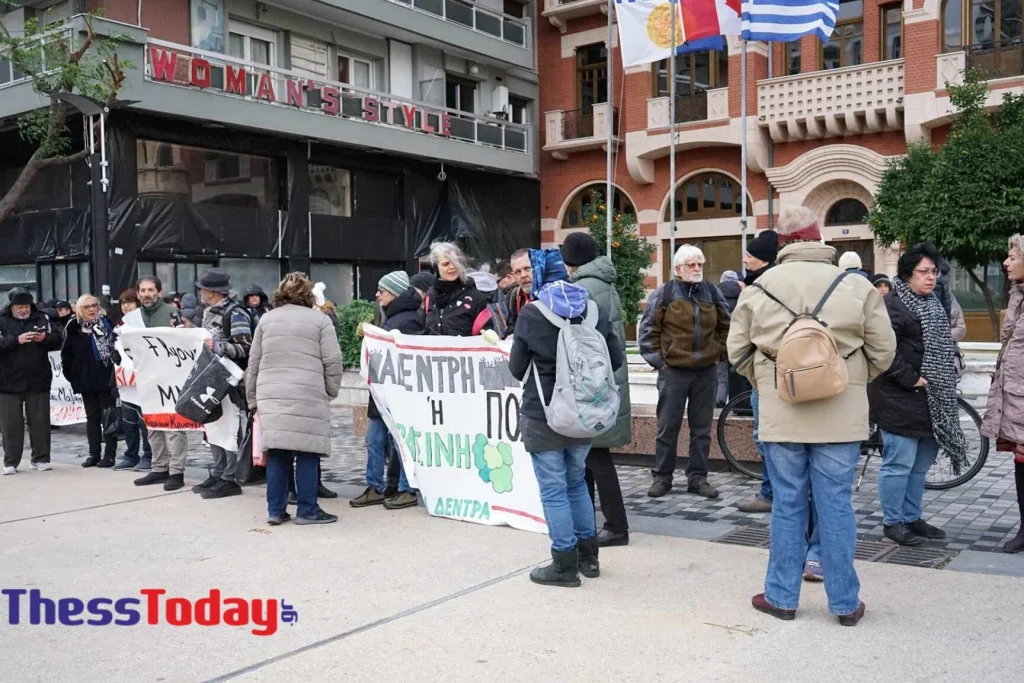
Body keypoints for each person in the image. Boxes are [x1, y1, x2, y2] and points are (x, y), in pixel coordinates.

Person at [728, 206, 895, 626]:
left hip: (782, 413)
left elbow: (738, 353)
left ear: (783, 242)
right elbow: (883, 351)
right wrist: (850, 380)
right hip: (841, 416)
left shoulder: (759, 288)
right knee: (836, 505)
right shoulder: (854, 286)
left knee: (787, 503)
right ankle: (844, 604)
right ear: (818, 238)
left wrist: (771, 381)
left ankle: (782, 597)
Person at [509, 248, 625, 587]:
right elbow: (615, 358)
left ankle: (563, 566)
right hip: (586, 412)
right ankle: (589, 559)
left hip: (543, 414)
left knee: (554, 490)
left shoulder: (532, 313)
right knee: (576, 483)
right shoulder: (594, 309)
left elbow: (517, 369)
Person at [869, 243, 969, 547]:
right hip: (898, 396)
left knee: (921, 463)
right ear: (906, 273)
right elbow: (882, 350)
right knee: (899, 463)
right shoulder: (892, 304)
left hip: (933, 397)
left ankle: (912, 517)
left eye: (934, 272)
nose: (931, 277)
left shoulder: (934, 302)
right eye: (923, 272)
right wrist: (911, 378)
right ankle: (893, 521)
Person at [247, 272, 343, 525]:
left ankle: (276, 511)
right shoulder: (320, 321)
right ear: (308, 293)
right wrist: (331, 390)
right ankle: (308, 510)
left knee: (277, 453)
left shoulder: (266, 320)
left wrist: (252, 399)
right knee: (307, 453)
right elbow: (333, 361)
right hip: (308, 394)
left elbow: (253, 363)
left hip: (271, 395)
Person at [638, 244, 731, 500]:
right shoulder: (665, 293)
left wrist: (719, 353)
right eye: (691, 264)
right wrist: (660, 362)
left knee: (702, 430)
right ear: (678, 269)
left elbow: (727, 325)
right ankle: (662, 477)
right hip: (674, 372)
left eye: (700, 264)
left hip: (706, 371)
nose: (697, 268)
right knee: (668, 427)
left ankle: (698, 479)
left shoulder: (712, 292)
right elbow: (647, 331)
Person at [561, 232, 632, 547]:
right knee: (589, 458)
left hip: (592, 383)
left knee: (596, 458)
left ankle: (615, 526)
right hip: (607, 379)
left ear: (570, 261)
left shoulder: (581, 290)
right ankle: (589, 521)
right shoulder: (604, 284)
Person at [351, 271, 425, 511]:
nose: (377, 294)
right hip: (382, 392)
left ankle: (406, 488)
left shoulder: (408, 320)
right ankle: (376, 486)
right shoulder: (394, 316)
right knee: (375, 440)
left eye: (381, 290)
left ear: (394, 292)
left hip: (395, 394)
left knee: (399, 441)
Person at [189, 268, 252, 500]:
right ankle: (217, 472)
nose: (200, 292)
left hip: (230, 382)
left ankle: (229, 477)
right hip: (211, 378)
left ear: (212, 292)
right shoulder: (207, 312)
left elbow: (246, 348)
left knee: (230, 427)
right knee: (213, 426)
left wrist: (218, 347)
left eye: (203, 289)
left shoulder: (236, 314)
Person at [982, 235, 1024, 553]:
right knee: (1021, 466)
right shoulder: (1018, 296)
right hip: (1015, 398)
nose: (1006, 263)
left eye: (1012, 256)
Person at [736, 232, 781, 516]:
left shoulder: (762, 288)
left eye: (750, 255)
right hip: (771, 373)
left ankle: (771, 493)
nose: (745, 258)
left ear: (763, 260)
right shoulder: (760, 283)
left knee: (766, 435)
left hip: (766, 374)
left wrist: (749, 369)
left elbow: (745, 336)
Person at [133, 276, 190, 491]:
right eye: (143, 290)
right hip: (147, 378)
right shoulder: (133, 318)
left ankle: (177, 471)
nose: (146, 294)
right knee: (153, 425)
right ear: (138, 294)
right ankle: (159, 468)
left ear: (158, 291)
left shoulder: (171, 313)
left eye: (150, 290)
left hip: (171, 377)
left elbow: (185, 340)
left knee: (174, 425)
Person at [0, 288, 62, 475]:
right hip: (7, 380)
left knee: (40, 421)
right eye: (19, 307)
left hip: (38, 378)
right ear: (11, 307)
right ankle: (11, 461)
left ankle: (40, 458)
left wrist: (45, 339)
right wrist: (16, 340)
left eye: (26, 306)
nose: (23, 310)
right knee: (11, 424)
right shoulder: (2, 320)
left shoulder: (42, 318)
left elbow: (58, 338)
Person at [62, 294, 120, 468]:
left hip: (105, 378)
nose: (92, 309)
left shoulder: (106, 323)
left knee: (108, 417)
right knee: (92, 418)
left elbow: (114, 348)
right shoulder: (72, 326)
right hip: (84, 379)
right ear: (80, 309)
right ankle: (93, 454)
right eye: (87, 307)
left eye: (94, 305)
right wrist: (72, 376)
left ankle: (110, 455)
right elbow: (66, 354)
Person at [113, 289, 152, 471]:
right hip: (126, 380)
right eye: (123, 302)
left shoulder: (144, 323)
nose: (126, 306)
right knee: (128, 420)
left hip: (143, 377)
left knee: (144, 421)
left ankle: (149, 455)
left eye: (130, 302)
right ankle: (131, 455)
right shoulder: (120, 326)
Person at [424, 242, 490, 337]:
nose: (452, 267)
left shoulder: (475, 296)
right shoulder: (430, 297)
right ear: (436, 268)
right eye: (446, 264)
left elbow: (486, 331)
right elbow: (425, 332)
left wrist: (489, 334)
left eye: (455, 262)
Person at [716, 270, 744, 407]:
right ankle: (738, 402)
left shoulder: (715, 293)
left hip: (720, 341)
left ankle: (719, 400)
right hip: (737, 341)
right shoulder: (743, 294)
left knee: (721, 373)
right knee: (738, 373)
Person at [504, 248, 533, 332]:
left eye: (527, 268)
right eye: (518, 272)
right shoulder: (514, 296)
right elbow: (511, 325)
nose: (523, 275)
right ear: (513, 276)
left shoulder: (551, 295)